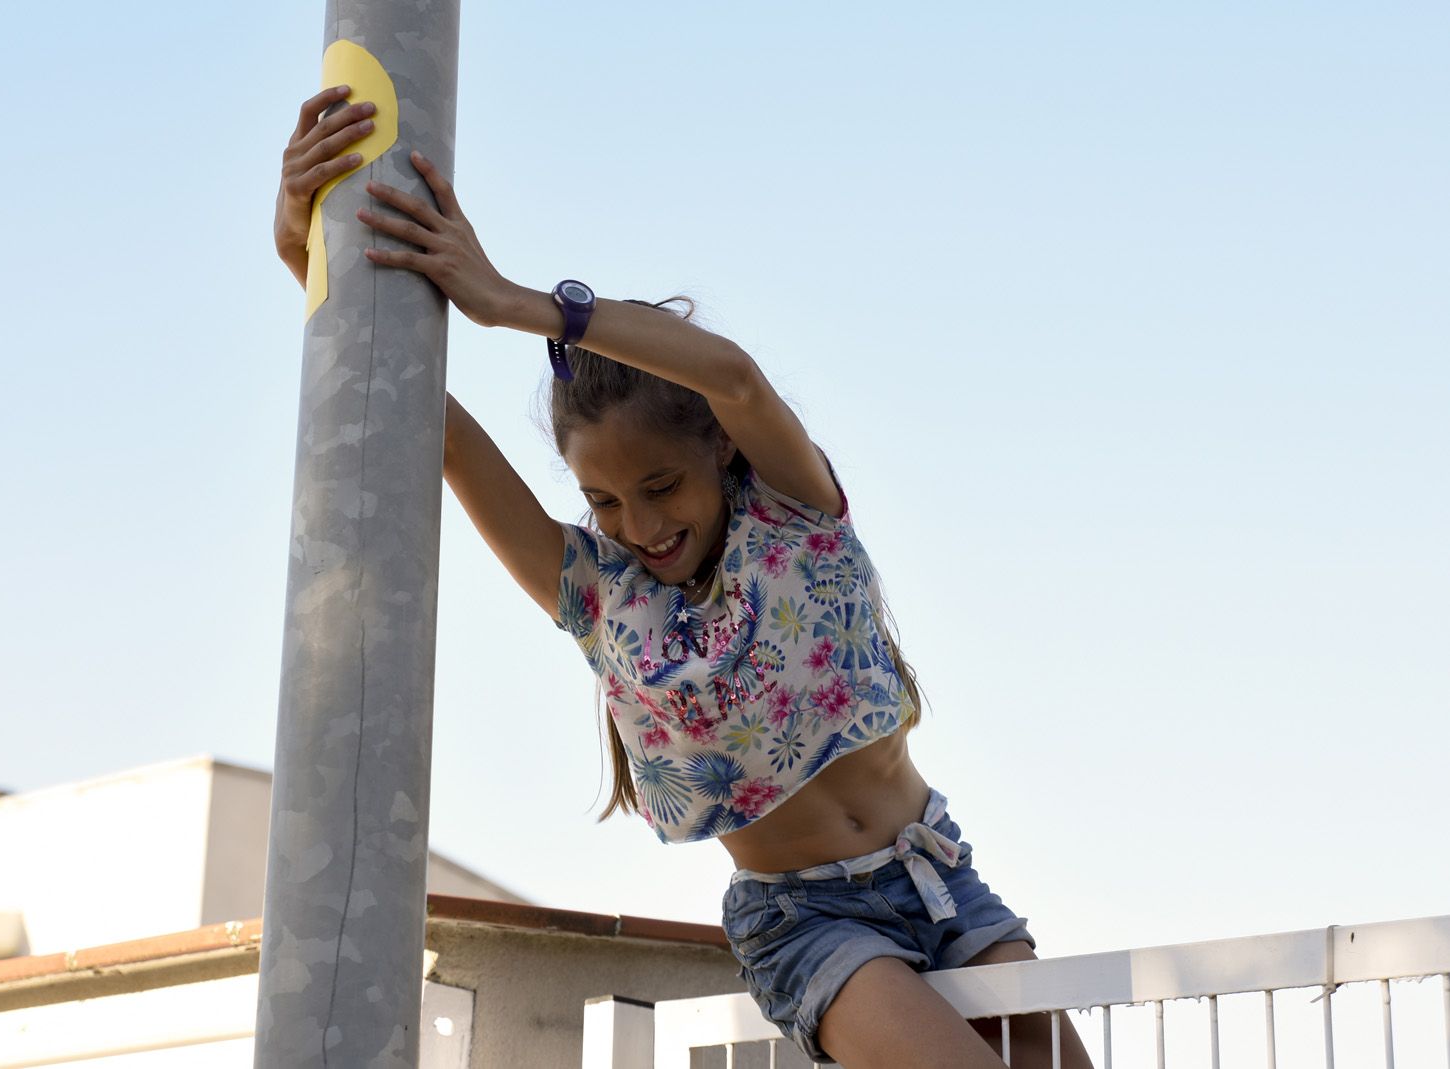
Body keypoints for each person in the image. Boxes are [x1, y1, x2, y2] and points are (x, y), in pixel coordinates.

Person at [273, 87, 1095, 1069]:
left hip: (938, 874)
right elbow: (435, 428)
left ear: (714, 452)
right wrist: (308, 257)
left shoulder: (792, 510)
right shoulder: (598, 596)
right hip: (812, 922)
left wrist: (514, 305)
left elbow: (737, 379)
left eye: (660, 485)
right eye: (607, 501)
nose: (641, 525)